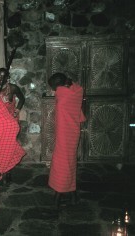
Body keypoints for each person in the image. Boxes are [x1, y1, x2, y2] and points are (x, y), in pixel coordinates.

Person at [47, 72, 86, 209]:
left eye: (53, 87)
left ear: (58, 86)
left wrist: (59, 89)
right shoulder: (76, 91)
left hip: (64, 134)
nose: (52, 90)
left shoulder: (62, 95)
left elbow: (58, 94)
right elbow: (77, 87)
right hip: (73, 132)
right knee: (70, 162)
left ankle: (58, 195)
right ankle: (73, 195)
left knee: (62, 163)